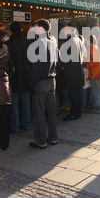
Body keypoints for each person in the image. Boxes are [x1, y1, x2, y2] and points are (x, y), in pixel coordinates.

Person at [27, 19, 59, 148]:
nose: (34, 29)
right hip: (52, 80)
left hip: (40, 82)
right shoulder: (52, 42)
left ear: (41, 27)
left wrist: (31, 83)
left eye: (35, 26)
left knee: (39, 113)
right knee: (51, 112)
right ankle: (53, 138)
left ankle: (41, 141)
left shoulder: (38, 43)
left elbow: (35, 67)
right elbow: (57, 61)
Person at [4, 22, 31, 132]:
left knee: (14, 101)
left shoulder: (8, 44)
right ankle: (26, 124)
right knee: (26, 100)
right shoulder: (27, 43)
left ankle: (14, 125)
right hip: (26, 75)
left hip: (12, 76)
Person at [60, 23, 84, 121]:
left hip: (71, 73)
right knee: (76, 95)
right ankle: (77, 113)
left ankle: (74, 113)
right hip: (77, 71)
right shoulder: (78, 39)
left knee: (73, 95)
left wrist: (63, 65)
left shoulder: (71, 41)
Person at [85, 34, 100, 109]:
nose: (86, 42)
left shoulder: (93, 48)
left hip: (95, 72)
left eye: (86, 40)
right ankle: (93, 104)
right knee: (94, 88)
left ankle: (96, 105)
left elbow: (96, 61)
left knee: (95, 88)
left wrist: (88, 65)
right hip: (94, 71)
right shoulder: (93, 48)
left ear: (89, 41)